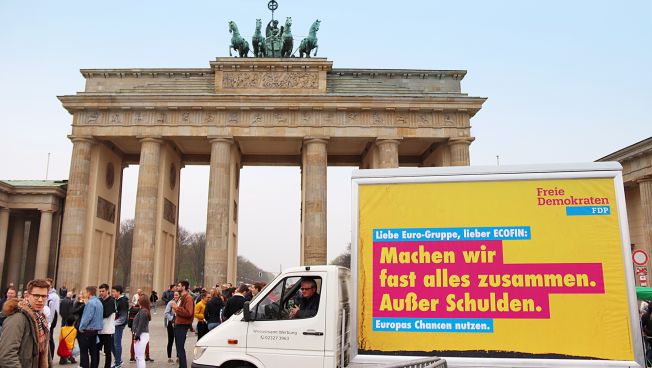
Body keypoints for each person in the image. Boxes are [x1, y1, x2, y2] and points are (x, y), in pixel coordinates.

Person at [0, 279, 52, 367]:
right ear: (27, 296)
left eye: (44, 296)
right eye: (36, 295)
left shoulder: (41, 319)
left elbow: (44, 354)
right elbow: (7, 356)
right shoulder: (17, 318)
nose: (40, 300)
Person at [78, 286, 103, 368]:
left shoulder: (90, 303)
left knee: (84, 352)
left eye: (85, 292)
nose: (85, 294)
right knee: (94, 352)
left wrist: (81, 327)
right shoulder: (99, 302)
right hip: (95, 330)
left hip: (88, 330)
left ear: (89, 292)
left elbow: (87, 317)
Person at [171, 280, 194, 368]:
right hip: (179, 324)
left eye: (179, 286)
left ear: (184, 287)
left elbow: (189, 312)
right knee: (179, 348)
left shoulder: (188, 298)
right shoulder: (182, 297)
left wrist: (176, 308)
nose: (177, 287)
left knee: (180, 349)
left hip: (182, 325)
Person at [98, 283, 116, 368]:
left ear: (107, 291)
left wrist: (96, 314)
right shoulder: (100, 300)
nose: (101, 293)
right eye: (100, 291)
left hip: (107, 330)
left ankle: (107, 366)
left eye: (103, 291)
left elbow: (106, 313)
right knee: (96, 349)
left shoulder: (111, 301)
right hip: (99, 329)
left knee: (107, 351)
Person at [112, 285, 129, 368]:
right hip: (113, 324)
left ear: (119, 292)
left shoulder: (123, 301)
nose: (112, 293)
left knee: (116, 344)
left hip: (118, 325)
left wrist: (113, 323)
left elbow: (123, 317)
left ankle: (118, 363)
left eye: (114, 292)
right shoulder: (116, 300)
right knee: (112, 343)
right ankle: (118, 359)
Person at [132, 295, 151, 368]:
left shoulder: (143, 311)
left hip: (141, 335)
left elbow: (141, 325)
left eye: (139, 300)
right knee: (138, 356)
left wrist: (137, 336)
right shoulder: (143, 310)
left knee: (140, 357)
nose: (138, 301)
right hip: (141, 334)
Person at [46, 278, 60, 361]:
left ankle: (50, 358)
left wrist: (50, 323)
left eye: (48, 285)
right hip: (43, 320)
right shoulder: (45, 294)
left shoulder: (54, 297)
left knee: (50, 339)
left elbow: (55, 311)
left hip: (50, 321)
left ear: (51, 285)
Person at [164, 291, 179, 363]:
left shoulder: (181, 302)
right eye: (175, 295)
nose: (176, 296)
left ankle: (178, 357)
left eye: (177, 295)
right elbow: (166, 313)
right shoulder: (170, 303)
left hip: (179, 323)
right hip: (171, 323)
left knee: (178, 340)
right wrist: (172, 319)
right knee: (171, 340)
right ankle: (169, 357)